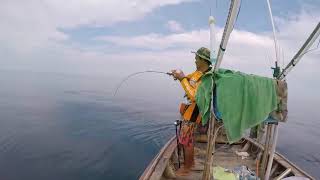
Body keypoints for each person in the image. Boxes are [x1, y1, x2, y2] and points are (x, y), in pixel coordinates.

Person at [171, 47, 212, 176]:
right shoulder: (197, 72)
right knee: (185, 139)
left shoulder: (207, 77)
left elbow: (195, 96)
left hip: (194, 113)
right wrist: (179, 76)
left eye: (196, 59)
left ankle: (188, 166)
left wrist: (182, 79)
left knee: (187, 141)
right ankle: (189, 163)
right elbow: (189, 79)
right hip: (188, 111)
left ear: (203, 60)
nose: (194, 61)